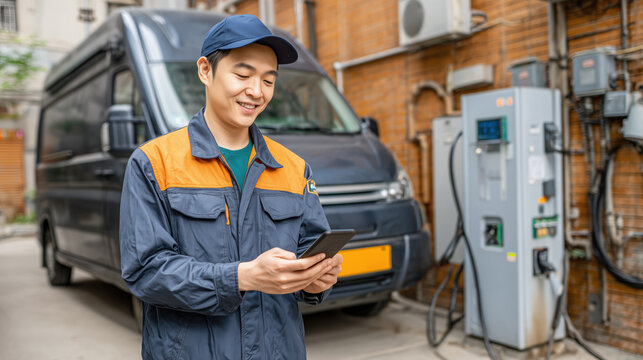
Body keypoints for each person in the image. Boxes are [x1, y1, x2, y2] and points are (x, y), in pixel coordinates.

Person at [119, 14, 343, 359]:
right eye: (242, 75)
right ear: (205, 70)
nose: (256, 91)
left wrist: (314, 282)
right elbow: (146, 272)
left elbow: (308, 253)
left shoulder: (294, 168)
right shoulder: (154, 163)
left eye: (269, 80)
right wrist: (243, 276)